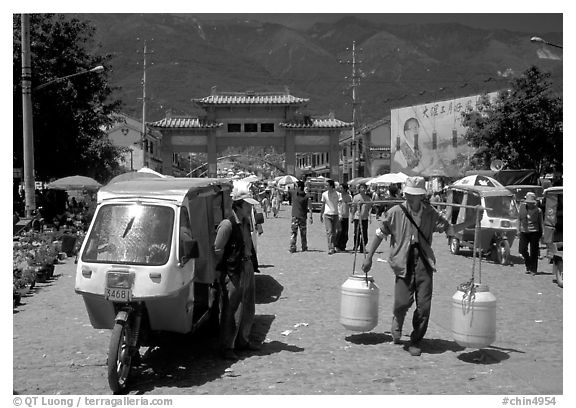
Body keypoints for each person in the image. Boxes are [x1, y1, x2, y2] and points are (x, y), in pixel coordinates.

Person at [361, 176, 472, 357]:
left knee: (424, 306)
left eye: (416, 195)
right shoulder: (396, 212)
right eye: (409, 195)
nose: (412, 198)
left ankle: (416, 339)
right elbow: (380, 233)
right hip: (403, 261)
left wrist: (472, 222)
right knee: (402, 302)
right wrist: (369, 257)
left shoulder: (430, 213)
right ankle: (397, 319)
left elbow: (449, 229)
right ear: (405, 194)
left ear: (422, 196)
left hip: (424, 261)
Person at [214, 180, 261, 360]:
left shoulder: (245, 222)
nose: (251, 209)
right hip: (234, 270)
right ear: (239, 205)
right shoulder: (227, 225)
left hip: (247, 266)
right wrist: (222, 271)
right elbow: (217, 250)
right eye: (248, 206)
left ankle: (243, 341)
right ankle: (227, 346)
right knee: (231, 309)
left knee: (248, 306)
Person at [517, 192, 544, 275]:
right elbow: (519, 219)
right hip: (524, 231)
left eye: (531, 203)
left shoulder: (538, 210)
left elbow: (541, 222)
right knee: (522, 249)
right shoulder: (522, 208)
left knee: (534, 251)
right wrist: (518, 230)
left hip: (534, 232)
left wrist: (542, 233)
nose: (530, 204)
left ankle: (533, 269)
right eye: (528, 203)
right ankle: (528, 263)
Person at [289, 180, 313, 253]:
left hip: (295, 217)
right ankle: (304, 247)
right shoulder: (306, 196)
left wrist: (275, 187)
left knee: (293, 233)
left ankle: (292, 247)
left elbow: (284, 190)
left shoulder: (294, 193)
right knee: (303, 234)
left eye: (296, 186)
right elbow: (310, 207)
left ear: (299, 187)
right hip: (303, 217)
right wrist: (311, 217)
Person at [350, 183, 373, 253]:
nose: (363, 189)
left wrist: (370, 217)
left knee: (365, 234)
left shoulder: (368, 198)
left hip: (365, 218)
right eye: (361, 188)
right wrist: (352, 216)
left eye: (364, 188)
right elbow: (353, 208)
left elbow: (369, 208)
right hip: (357, 218)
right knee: (357, 233)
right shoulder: (356, 197)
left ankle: (362, 247)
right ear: (359, 189)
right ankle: (355, 246)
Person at [319, 179, 340, 255]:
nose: (325, 186)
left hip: (335, 214)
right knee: (329, 231)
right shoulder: (324, 194)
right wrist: (321, 214)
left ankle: (333, 246)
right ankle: (330, 248)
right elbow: (323, 205)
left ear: (331, 186)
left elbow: (339, 204)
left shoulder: (337, 194)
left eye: (327, 185)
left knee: (334, 232)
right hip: (327, 214)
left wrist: (340, 214)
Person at [336, 183, 352, 252]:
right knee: (339, 231)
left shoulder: (349, 197)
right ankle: (337, 246)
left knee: (345, 233)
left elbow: (351, 206)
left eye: (341, 188)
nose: (340, 189)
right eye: (339, 188)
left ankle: (343, 246)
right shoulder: (338, 195)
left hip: (346, 216)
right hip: (339, 216)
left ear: (345, 189)